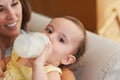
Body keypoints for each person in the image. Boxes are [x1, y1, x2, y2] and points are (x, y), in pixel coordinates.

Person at [0, 0, 77, 80]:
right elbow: (4, 62)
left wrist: (38, 65)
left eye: (61, 40)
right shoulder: (20, 54)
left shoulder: (51, 72)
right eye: (49, 31)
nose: (50, 36)